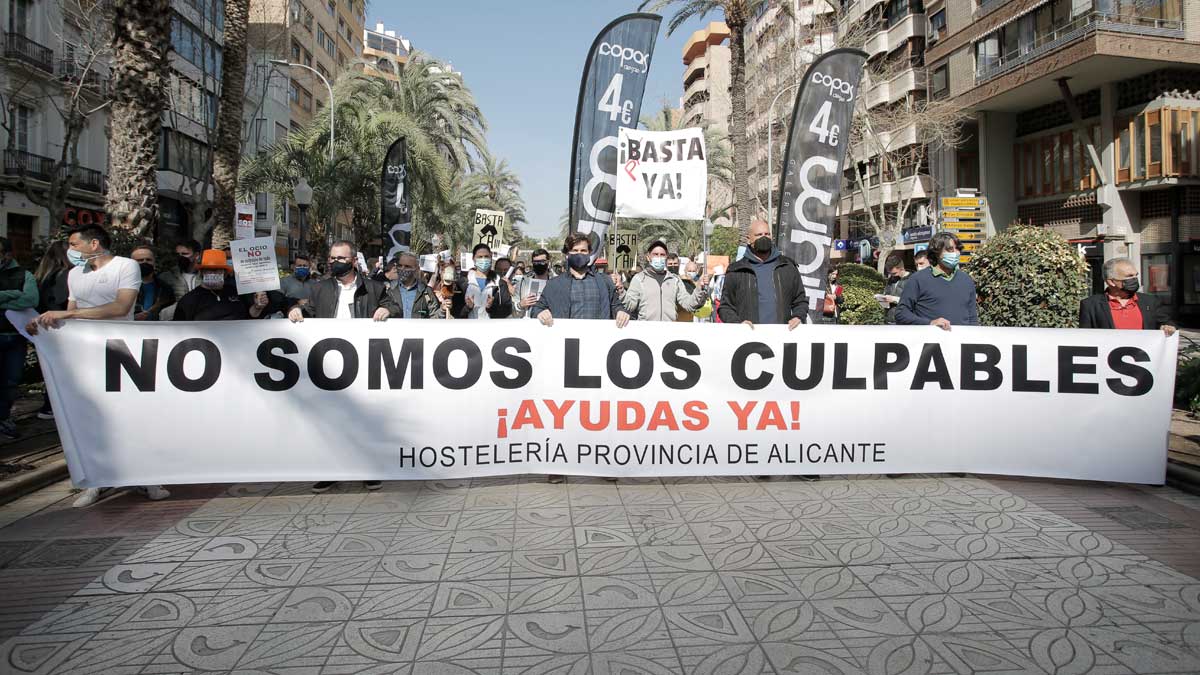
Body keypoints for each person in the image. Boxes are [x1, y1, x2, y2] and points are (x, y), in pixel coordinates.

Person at [27, 224, 169, 507]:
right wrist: (44, 322)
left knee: (131, 418)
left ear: (94, 245)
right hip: (86, 356)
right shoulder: (74, 275)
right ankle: (97, 480)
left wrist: (69, 312)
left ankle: (147, 476)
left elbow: (120, 307)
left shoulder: (126, 266)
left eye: (74, 244)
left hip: (123, 352)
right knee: (91, 420)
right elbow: (69, 313)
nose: (71, 250)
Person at [287, 241, 396, 493]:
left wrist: (386, 308)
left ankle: (369, 470)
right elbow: (308, 312)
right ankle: (330, 470)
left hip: (366, 363)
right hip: (330, 363)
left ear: (353, 261)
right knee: (330, 418)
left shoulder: (374, 287)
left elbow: (395, 306)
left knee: (365, 418)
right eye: (332, 257)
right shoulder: (320, 288)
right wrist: (295, 310)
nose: (335, 262)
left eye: (341, 258)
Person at [717, 220, 808, 330]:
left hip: (782, 338)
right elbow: (725, 307)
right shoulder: (736, 270)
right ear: (749, 239)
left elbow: (800, 300)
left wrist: (798, 316)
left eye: (767, 234)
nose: (764, 237)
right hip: (750, 340)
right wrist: (738, 324)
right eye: (759, 235)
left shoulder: (787, 266)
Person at [533, 234, 630, 327]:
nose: (579, 254)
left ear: (589, 252)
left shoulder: (605, 281)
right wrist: (540, 313)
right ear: (567, 254)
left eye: (583, 250)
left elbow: (616, 305)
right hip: (567, 340)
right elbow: (537, 309)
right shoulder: (554, 284)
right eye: (575, 250)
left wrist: (621, 312)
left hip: (598, 339)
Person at [896, 232, 978, 331]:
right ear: (936, 252)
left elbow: (973, 318)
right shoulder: (918, 279)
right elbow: (901, 314)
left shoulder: (966, 280)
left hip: (960, 343)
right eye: (950, 249)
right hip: (930, 344)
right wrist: (929, 323)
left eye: (958, 249)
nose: (956, 253)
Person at [172, 250, 285, 321]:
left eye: (218, 270)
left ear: (225, 273)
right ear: (202, 273)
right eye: (209, 270)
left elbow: (250, 315)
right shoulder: (189, 300)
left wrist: (257, 307)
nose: (214, 273)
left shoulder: (235, 291)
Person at [1079, 257, 1176, 335]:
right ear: (1111, 281)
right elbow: (1085, 337)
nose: (1134, 279)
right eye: (1129, 276)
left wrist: (1168, 327)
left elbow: (1167, 323)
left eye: (1135, 275)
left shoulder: (1150, 301)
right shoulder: (1091, 305)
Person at [0, 237, 37, 440]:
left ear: (7, 254)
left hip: (15, 338)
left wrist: (3, 298)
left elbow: (31, 299)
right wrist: (13, 294)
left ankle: (4, 418)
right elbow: (21, 299)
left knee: (11, 381)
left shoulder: (25, 275)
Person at [622, 240, 709, 322]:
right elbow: (630, 305)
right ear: (648, 257)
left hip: (669, 330)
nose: (659, 257)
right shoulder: (639, 279)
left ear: (666, 257)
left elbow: (689, 304)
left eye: (662, 255)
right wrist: (620, 290)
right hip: (647, 330)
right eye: (655, 254)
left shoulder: (674, 280)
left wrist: (699, 289)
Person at [33, 242, 71, 420]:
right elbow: (62, 301)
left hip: (44, 329)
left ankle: (49, 405)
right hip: (61, 329)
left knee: (51, 369)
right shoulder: (65, 275)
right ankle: (54, 406)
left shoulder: (41, 276)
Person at [459, 244, 513, 319]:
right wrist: (468, 307)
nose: (483, 260)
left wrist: (490, 308)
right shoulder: (464, 282)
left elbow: (507, 311)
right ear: (473, 259)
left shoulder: (500, 283)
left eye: (486, 256)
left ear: (491, 258)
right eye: (480, 257)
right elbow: (456, 312)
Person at [386, 252, 443, 319]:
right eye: (400, 266)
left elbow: (434, 316)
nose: (402, 269)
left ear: (416, 269)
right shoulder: (389, 291)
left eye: (407, 266)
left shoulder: (426, 292)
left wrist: (443, 310)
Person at [131, 246, 175, 321]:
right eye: (140, 260)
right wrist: (132, 318)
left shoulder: (165, 288)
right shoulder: (122, 287)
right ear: (131, 263)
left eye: (148, 260)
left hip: (158, 329)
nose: (145, 262)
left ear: (154, 262)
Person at [512, 248, 554, 319]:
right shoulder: (523, 282)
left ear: (548, 262)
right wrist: (520, 305)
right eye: (536, 262)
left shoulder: (556, 282)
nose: (539, 264)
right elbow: (513, 311)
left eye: (542, 261)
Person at [881, 251, 911, 325]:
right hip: (889, 319)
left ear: (901, 268)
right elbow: (886, 293)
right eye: (890, 273)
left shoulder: (912, 279)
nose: (892, 275)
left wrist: (894, 299)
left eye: (894, 273)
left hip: (904, 321)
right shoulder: (891, 279)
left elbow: (913, 301)